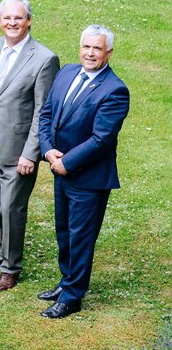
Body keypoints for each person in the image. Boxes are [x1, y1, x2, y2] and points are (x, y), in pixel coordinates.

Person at [36, 25, 129, 318]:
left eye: (97, 48)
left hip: (87, 179)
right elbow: (48, 113)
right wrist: (48, 150)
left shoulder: (114, 89)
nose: (90, 53)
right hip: (59, 167)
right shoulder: (66, 72)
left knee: (81, 237)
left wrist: (67, 162)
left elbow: (102, 140)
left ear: (108, 53)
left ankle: (73, 296)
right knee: (64, 232)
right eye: (86, 47)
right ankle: (66, 282)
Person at [0, 0, 59, 291]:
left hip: (19, 150)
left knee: (12, 208)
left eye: (18, 18)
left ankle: (11, 267)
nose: (12, 23)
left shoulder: (44, 59)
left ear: (29, 20)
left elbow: (43, 111)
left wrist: (31, 153)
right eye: (6, 18)